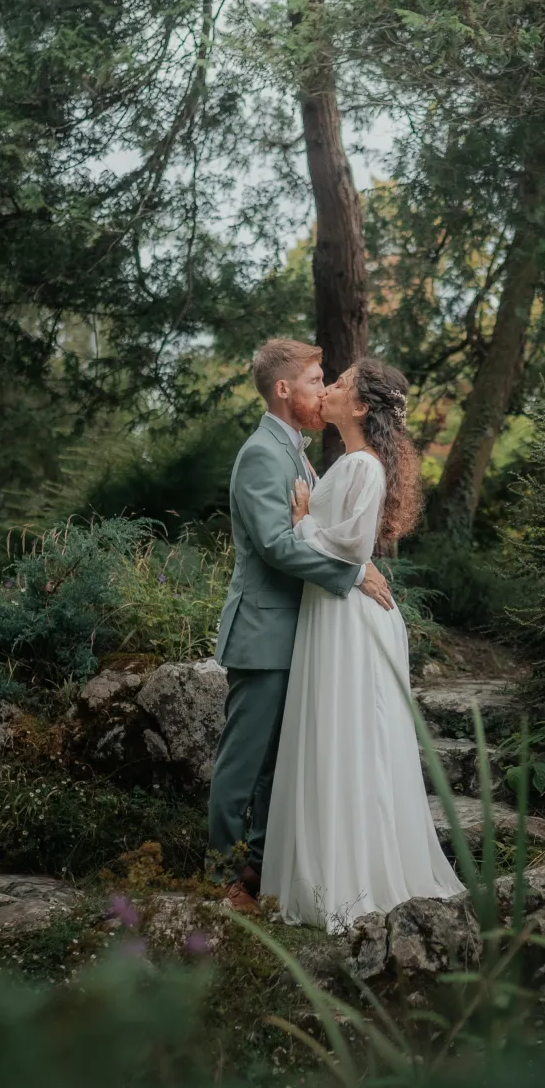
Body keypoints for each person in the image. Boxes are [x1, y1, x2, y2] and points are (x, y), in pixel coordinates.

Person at [261, 357, 465, 932]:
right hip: (335, 611)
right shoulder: (348, 463)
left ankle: (354, 876)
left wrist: (302, 520)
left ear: (361, 408)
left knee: (350, 738)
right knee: (332, 734)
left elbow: (349, 547)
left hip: (350, 618)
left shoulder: (362, 468)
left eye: (341, 384)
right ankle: (326, 868)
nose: (328, 389)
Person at [209, 339, 396, 916]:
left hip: (303, 636)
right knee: (243, 766)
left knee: (279, 768)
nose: (322, 389)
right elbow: (274, 544)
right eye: (316, 380)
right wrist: (351, 573)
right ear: (284, 389)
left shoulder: (301, 452)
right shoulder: (263, 453)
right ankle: (221, 878)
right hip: (265, 635)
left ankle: (260, 875)